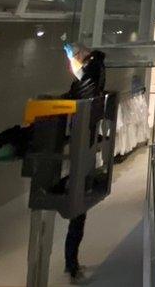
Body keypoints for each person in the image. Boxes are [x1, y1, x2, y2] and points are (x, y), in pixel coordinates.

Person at [61, 45, 107, 284]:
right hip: (85, 136)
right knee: (76, 224)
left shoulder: (91, 75)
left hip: (84, 135)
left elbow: (79, 78)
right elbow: (80, 77)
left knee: (76, 224)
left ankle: (72, 265)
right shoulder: (96, 73)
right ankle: (72, 265)